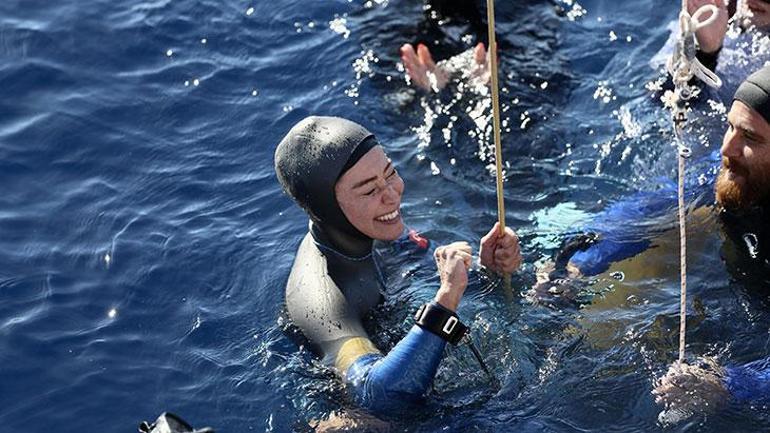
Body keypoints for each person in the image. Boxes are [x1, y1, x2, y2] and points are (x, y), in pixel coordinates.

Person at [546, 65, 770, 416]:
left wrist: (732, 386)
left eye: (750, 138)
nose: (728, 146)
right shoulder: (729, 165)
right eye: (730, 126)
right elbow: (652, 208)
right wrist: (574, 264)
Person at [274, 116, 522, 415]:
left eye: (390, 173)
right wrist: (445, 302)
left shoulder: (372, 227)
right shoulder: (321, 295)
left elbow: (425, 264)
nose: (392, 196)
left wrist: (490, 270)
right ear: (328, 208)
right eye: (369, 191)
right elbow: (377, 396)